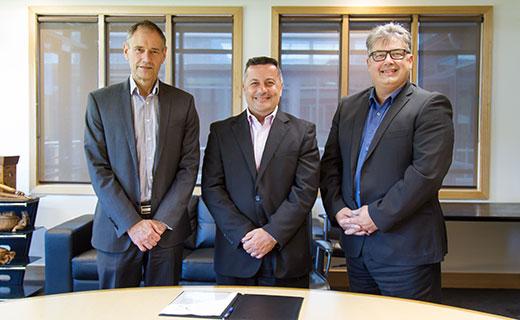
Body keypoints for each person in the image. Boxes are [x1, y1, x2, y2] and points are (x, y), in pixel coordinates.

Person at [320, 23, 454, 302]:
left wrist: (375, 216)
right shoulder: (348, 107)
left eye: (396, 53)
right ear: (369, 62)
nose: (388, 62)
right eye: (379, 55)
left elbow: (425, 175)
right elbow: (331, 166)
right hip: (356, 244)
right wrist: (338, 209)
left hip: (406, 249)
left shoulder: (430, 106)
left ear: (410, 59)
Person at [84, 20, 199, 288]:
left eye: (154, 51)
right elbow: (98, 168)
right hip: (117, 229)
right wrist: (133, 224)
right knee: (115, 312)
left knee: (163, 308)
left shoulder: (183, 103)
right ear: (126, 51)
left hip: (166, 232)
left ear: (164, 55)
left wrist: (159, 223)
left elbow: (189, 166)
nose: (146, 58)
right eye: (139, 49)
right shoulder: (100, 102)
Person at [201, 56, 319, 288]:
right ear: (244, 88)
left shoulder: (303, 131)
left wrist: (271, 234)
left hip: (286, 257)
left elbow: (305, 191)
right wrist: (246, 235)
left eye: (269, 82)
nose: (262, 90)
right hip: (236, 255)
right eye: (254, 83)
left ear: (281, 87)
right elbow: (212, 188)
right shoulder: (221, 132)